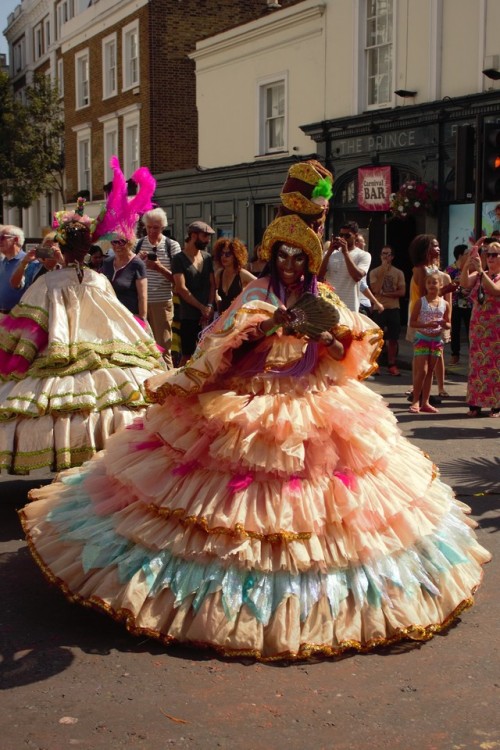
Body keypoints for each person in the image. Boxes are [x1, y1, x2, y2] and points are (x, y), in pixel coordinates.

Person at [19, 205, 490, 661]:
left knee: (324, 503)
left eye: (297, 257)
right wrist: (256, 329)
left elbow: (347, 349)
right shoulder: (255, 294)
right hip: (249, 397)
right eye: (282, 255)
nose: (288, 266)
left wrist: (326, 339)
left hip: (312, 399)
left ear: (309, 260)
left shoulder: (321, 296)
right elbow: (215, 343)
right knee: (217, 496)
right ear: (272, 255)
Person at [0, 161, 166, 474]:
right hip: (101, 348)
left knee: (52, 403)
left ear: (61, 246)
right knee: (113, 399)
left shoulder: (50, 281)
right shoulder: (97, 278)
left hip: (60, 349)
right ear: (88, 247)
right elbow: (119, 318)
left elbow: (28, 321)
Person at [135, 207, 181, 368]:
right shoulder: (138, 244)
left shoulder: (172, 246)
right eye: (148, 227)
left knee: (163, 346)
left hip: (162, 303)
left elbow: (177, 279)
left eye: (155, 227)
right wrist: (136, 262)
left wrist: (158, 267)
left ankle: (167, 382)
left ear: (163, 227)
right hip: (140, 303)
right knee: (143, 347)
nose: (152, 231)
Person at [460, 240, 500, 418]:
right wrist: (468, 263)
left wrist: (482, 271)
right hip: (477, 326)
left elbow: (495, 290)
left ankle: (496, 405)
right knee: (477, 364)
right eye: (487, 254)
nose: (489, 257)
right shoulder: (478, 273)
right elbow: (464, 283)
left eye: (494, 255)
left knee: (495, 365)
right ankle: (475, 403)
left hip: (496, 327)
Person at [172, 220, 216, 365]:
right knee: (187, 356)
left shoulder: (207, 257)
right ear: (193, 236)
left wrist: (209, 306)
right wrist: (202, 308)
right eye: (205, 236)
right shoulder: (178, 259)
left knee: (206, 355)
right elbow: (181, 289)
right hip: (189, 316)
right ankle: (174, 384)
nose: (208, 240)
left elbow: (212, 284)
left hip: (207, 316)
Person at [409, 271, 450, 414]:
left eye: (435, 282)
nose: (432, 285)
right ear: (425, 286)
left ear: (440, 285)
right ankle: (415, 400)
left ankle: (425, 402)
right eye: (429, 283)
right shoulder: (421, 301)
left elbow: (449, 323)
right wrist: (426, 326)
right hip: (422, 339)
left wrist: (444, 324)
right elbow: (412, 322)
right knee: (422, 371)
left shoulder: (445, 304)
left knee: (430, 372)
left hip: (437, 341)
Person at [319, 220, 371, 311]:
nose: (343, 238)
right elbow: (319, 276)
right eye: (341, 235)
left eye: (347, 236)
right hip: (330, 305)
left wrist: (346, 253)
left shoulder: (363, 255)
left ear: (355, 235)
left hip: (350, 307)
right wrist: (329, 253)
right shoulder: (329, 253)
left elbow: (357, 277)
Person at [369, 246, 406, 376]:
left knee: (393, 339)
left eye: (388, 254)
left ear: (392, 257)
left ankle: (392, 364)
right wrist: (383, 272)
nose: (385, 257)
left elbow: (402, 292)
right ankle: (375, 364)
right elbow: (376, 290)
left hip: (393, 308)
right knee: (377, 338)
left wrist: (386, 293)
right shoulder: (374, 272)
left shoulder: (398, 273)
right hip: (379, 309)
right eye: (383, 254)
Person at [102, 234, 147, 319]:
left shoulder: (137, 264)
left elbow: (142, 297)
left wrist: (142, 319)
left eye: (122, 242)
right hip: (110, 317)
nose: (117, 245)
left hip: (130, 317)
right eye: (114, 242)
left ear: (130, 242)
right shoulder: (107, 262)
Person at [445, 244, 472, 366]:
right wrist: (459, 291)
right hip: (455, 304)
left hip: (469, 304)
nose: (469, 255)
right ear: (460, 255)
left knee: (470, 330)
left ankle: (473, 355)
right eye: (467, 253)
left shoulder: (471, 268)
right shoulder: (450, 270)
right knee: (455, 331)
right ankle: (455, 355)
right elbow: (446, 288)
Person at [214, 237, 255, 315]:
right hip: (222, 317)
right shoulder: (219, 273)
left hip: (238, 318)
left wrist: (248, 303)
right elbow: (213, 290)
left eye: (228, 254)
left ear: (236, 256)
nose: (224, 257)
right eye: (221, 254)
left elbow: (260, 285)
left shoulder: (242, 274)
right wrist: (218, 302)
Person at [0, 225, 27, 316]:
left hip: (18, 317)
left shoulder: (30, 262)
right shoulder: (2, 262)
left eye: (2, 237)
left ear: (15, 240)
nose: (0, 241)